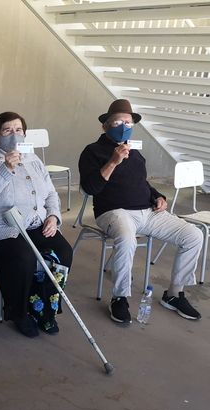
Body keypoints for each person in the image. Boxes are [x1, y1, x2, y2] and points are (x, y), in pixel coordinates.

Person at [79, 99, 203, 324]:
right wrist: (113, 161)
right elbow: (90, 188)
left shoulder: (135, 151)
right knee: (127, 239)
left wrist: (158, 196)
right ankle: (119, 297)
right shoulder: (92, 151)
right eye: (118, 122)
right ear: (105, 125)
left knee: (193, 235)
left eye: (128, 122)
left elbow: (141, 183)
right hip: (114, 211)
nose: (123, 126)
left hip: (147, 212)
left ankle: (174, 293)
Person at [0, 112, 73, 338]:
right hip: (1, 226)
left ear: (25, 134)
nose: (14, 134)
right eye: (7, 130)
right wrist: (6, 169)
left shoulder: (33, 158)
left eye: (18, 130)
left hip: (35, 223)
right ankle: (19, 312)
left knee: (63, 251)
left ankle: (45, 308)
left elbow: (50, 193)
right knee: (23, 257)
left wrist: (53, 217)